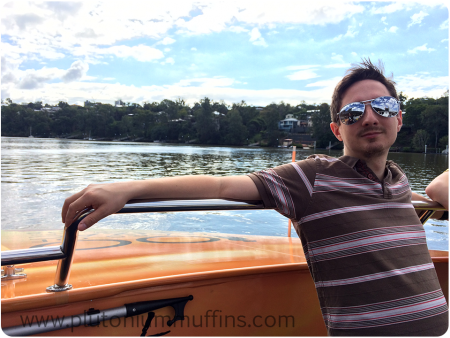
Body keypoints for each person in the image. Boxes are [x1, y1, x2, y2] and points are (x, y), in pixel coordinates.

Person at [62, 59, 449, 337]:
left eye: (382, 107)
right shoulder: (312, 177)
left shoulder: (400, 185)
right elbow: (221, 187)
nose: (369, 117)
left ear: (399, 118)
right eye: (353, 112)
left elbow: (439, 191)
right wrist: (128, 188)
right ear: (336, 129)